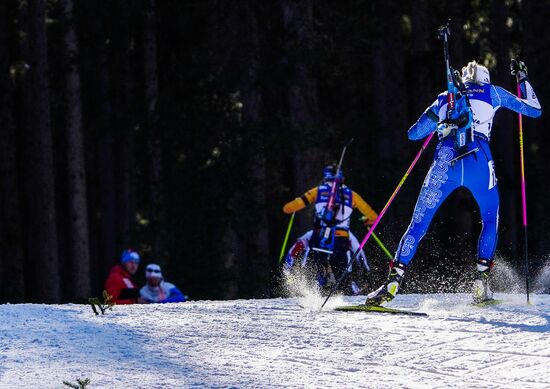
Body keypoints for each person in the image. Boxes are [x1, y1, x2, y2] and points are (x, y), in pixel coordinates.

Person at [366, 59, 541, 305]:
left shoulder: (444, 97)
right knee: (490, 218)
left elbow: (414, 133)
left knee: (418, 224)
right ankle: (481, 282)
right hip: (479, 159)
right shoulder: (493, 93)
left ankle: (393, 281)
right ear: (486, 79)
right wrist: (522, 79)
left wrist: (438, 121)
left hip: (445, 161)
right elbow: (534, 110)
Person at [283, 165, 378, 291]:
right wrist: (367, 220)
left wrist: (295, 203)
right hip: (341, 238)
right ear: (342, 178)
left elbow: (287, 209)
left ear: (325, 177)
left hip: (320, 237)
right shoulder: (352, 195)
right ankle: (346, 292)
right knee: (341, 272)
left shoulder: (318, 191)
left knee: (317, 268)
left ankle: (315, 291)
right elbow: (374, 217)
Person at [283, 229, 369, 295]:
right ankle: (311, 292)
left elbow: (358, 251)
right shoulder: (313, 233)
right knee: (317, 272)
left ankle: (349, 291)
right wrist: (288, 268)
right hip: (319, 268)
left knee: (341, 276)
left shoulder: (345, 233)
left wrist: (366, 271)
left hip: (340, 267)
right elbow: (295, 249)